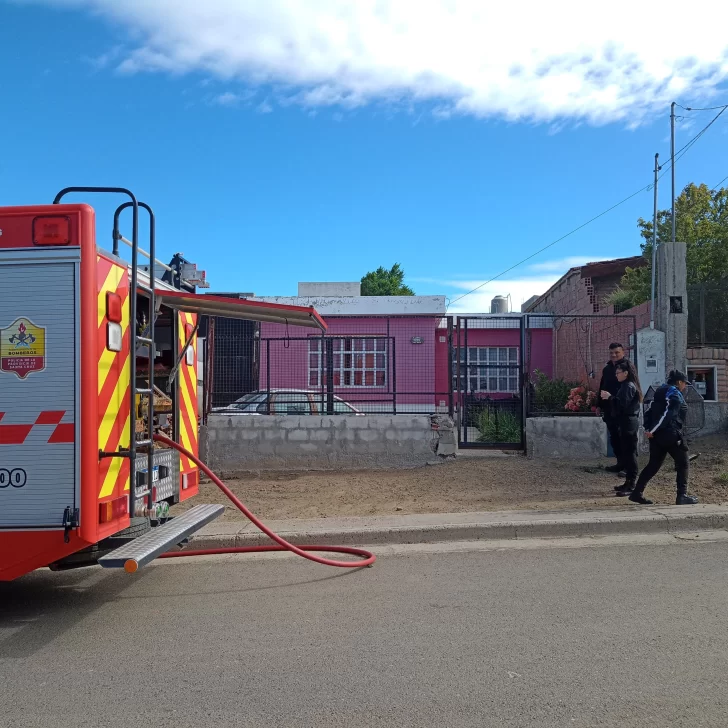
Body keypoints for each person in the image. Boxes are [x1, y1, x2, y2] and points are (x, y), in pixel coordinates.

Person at [628, 370, 699, 506]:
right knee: (683, 463)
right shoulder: (674, 392)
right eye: (684, 383)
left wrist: (649, 429)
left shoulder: (660, 390)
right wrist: (652, 429)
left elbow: (650, 410)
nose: (685, 386)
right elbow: (669, 413)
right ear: (679, 382)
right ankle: (682, 496)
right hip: (669, 434)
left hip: (657, 436)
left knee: (653, 465)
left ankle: (637, 493)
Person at [601, 361, 642, 496]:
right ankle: (628, 482)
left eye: (618, 373)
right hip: (625, 422)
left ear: (626, 373)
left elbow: (622, 404)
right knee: (626, 453)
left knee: (630, 454)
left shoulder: (628, 386)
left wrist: (610, 397)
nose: (616, 375)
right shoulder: (625, 386)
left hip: (629, 422)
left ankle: (631, 484)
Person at [599, 342, 629, 474]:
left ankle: (629, 467)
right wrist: (598, 405)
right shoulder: (607, 369)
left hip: (622, 408)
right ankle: (620, 463)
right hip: (609, 408)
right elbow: (602, 387)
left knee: (625, 439)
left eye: (617, 352)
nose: (614, 355)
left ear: (623, 352)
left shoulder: (628, 367)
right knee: (614, 438)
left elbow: (632, 388)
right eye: (611, 353)